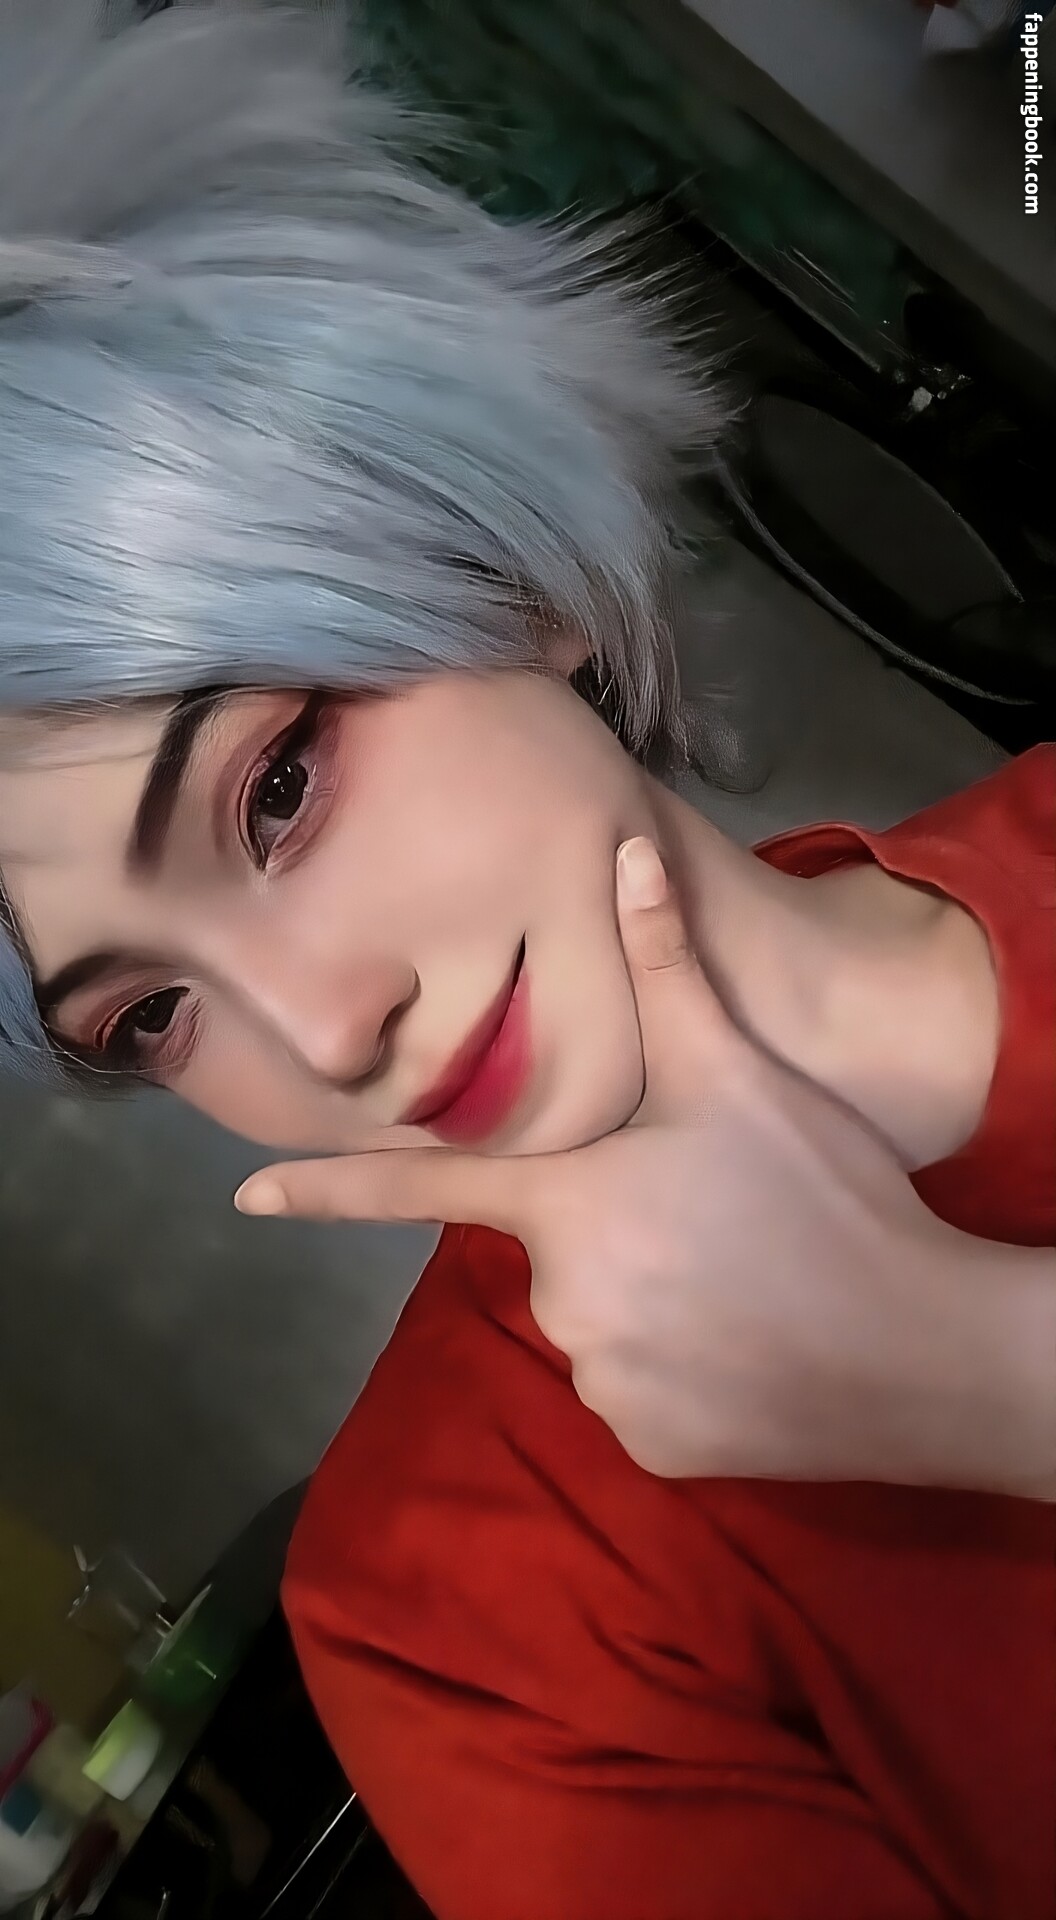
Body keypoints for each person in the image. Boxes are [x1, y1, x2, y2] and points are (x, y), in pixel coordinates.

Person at [0, 6, 1052, 1919]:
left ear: (505, 571)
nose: (326, 1030)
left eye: (277, 788)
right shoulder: (446, 1602)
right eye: (150, 1013)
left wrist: (978, 1374)